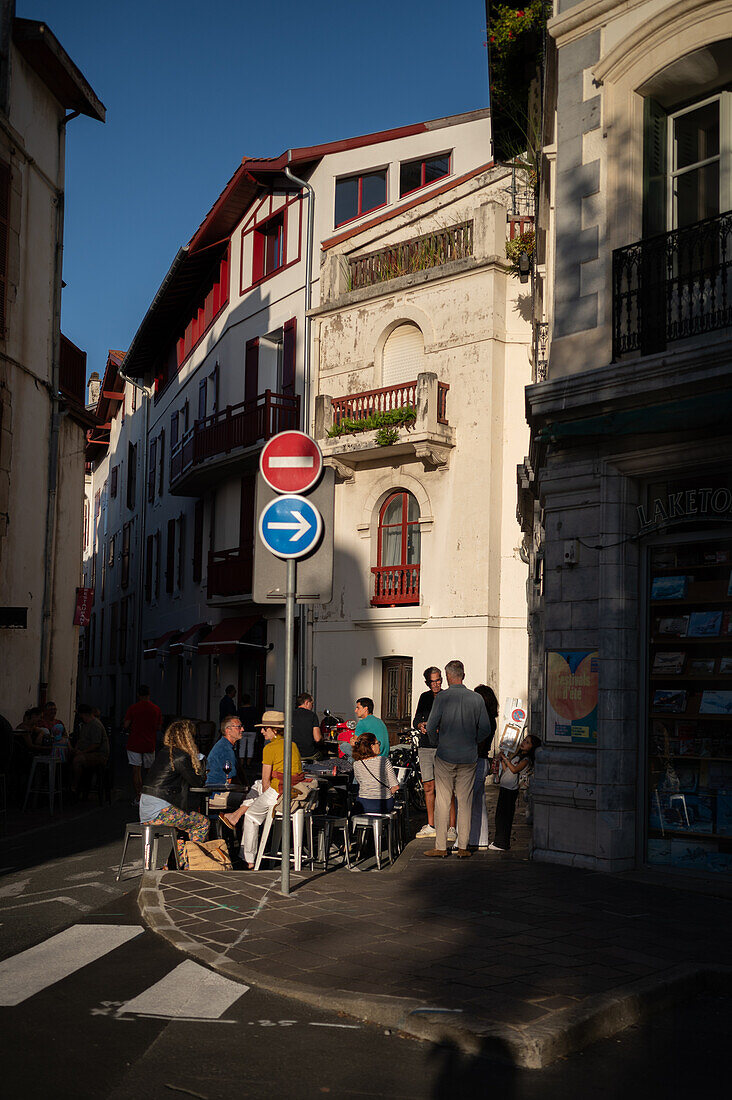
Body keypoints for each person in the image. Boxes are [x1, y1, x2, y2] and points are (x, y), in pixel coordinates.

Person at [424, 660, 491, 859]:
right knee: (465, 801)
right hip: (468, 757)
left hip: (445, 755)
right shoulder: (476, 699)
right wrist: (473, 741)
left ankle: (441, 847)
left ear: (448, 676)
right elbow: (485, 729)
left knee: (443, 801)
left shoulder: (442, 698)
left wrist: (438, 742)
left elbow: (430, 726)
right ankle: (463, 846)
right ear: (463, 674)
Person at [219, 711, 303, 869]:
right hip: (293, 788)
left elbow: (266, 782)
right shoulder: (292, 744)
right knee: (256, 785)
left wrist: (257, 802)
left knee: (251, 815)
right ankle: (236, 815)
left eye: (265, 728)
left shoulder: (270, 748)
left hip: (278, 790)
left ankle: (249, 859)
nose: (262, 731)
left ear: (274, 730)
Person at [140, 719, 210, 869]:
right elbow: (197, 782)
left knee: (183, 826)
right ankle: (191, 863)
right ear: (188, 738)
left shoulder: (165, 753)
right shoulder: (180, 757)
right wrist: (200, 758)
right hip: (159, 810)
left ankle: (174, 864)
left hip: (148, 808)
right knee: (202, 823)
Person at [413, 666, 455, 841]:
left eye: (439, 680)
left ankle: (452, 827)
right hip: (426, 746)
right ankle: (431, 824)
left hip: (444, 747)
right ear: (427, 683)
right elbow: (416, 719)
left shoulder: (448, 697)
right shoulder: (424, 697)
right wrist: (420, 725)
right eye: (433, 681)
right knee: (428, 786)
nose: (436, 684)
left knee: (448, 788)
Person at [491, 734, 541, 851]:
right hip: (504, 787)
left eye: (528, 742)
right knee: (499, 816)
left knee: (505, 817)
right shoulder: (518, 756)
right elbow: (507, 770)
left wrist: (506, 759)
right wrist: (503, 759)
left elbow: (514, 770)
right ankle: (498, 841)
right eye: (524, 740)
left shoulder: (526, 760)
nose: (524, 743)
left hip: (510, 790)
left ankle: (502, 843)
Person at [469, 685, 499, 848]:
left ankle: (472, 838)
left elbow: (479, 742)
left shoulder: (483, 719)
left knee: (470, 801)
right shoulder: (489, 718)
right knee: (478, 801)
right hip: (481, 760)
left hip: (476, 760)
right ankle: (479, 838)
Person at [123, 685, 163, 804]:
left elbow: (126, 725)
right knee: (150, 771)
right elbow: (159, 727)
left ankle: (139, 796)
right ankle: (150, 796)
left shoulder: (133, 708)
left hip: (134, 742)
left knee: (136, 770)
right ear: (149, 694)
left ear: (138, 695)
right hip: (149, 742)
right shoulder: (156, 709)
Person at [352, 732, 399, 813]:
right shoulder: (383, 761)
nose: (379, 746)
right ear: (372, 746)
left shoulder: (356, 764)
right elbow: (395, 787)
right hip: (383, 804)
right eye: (378, 743)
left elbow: (360, 783)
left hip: (363, 804)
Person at [70, 704, 110, 795]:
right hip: (88, 752)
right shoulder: (85, 725)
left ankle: (75, 786)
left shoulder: (95, 725)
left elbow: (96, 744)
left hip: (99, 755)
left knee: (77, 760)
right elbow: (81, 740)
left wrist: (82, 752)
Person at [206, 715, 243, 787]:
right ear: (228, 730)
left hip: (214, 788)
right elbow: (229, 779)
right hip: (218, 790)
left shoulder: (224, 744)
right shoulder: (226, 749)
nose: (242, 729)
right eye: (239, 727)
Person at [292, 692, 324, 759]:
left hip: (293, 753)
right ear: (307, 702)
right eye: (312, 704)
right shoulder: (312, 715)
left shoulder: (289, 715)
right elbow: (317, 738)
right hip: (308, 754)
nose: (312, 707)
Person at [237, 693, 259, 765]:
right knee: (251, 746)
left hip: (243, 729)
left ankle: (242, 762)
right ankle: (248, 763)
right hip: (252, 729)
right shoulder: (253, 709)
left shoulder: (240, 709)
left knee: (242, 746)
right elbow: (256, 718)